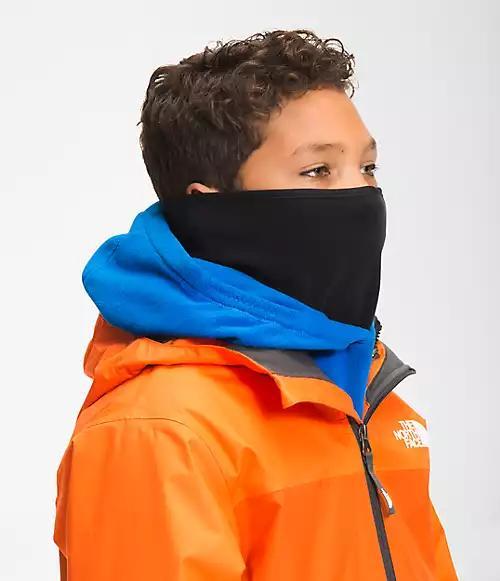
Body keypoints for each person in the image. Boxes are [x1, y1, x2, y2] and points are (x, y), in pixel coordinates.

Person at [53, 29, 457, 580]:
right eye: (318, 171)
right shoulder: (159, 430)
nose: (361, 196)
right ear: (213, 207)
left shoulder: (371, 397)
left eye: (368, 168)